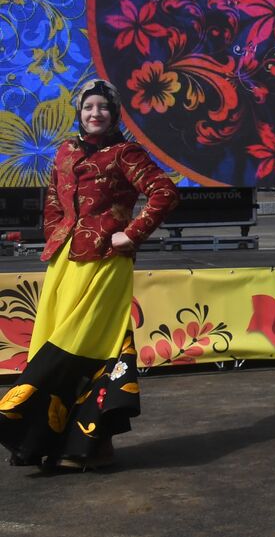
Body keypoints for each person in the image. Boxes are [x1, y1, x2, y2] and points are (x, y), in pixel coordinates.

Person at [0, 79, 178, 470]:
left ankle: (94, 443)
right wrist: (55, 236)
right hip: (64, 263)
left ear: (114, 114)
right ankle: (54, 442)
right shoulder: (65, 151)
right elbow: (52, 199)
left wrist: (131, 234)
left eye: (102, 107)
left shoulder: (125, 153)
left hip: (104, 262)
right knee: (53, 340)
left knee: (87, 345)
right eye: (88, 107)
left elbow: (164, 191)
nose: (94, 113)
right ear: (79, 113)